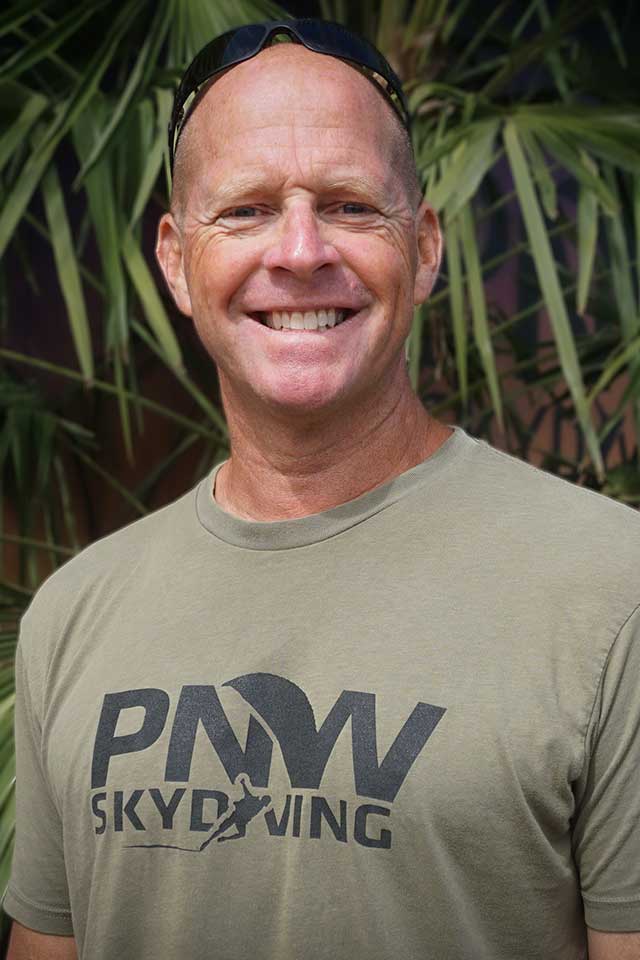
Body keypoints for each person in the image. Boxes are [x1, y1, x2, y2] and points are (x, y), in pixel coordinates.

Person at [4, 17, 640, 960]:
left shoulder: (612, 588)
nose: (300, 251)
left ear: (423, 247)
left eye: (347, 205)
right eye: (248, 210)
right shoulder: (74, 615)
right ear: (178, 261)